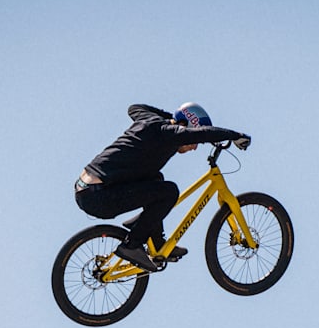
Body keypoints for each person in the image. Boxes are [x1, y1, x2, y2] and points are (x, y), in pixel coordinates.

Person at [75, 103, 250, 271]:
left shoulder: (152, 121)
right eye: (193, 139)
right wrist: (235, 135)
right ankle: (132, 245)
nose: (195, 147)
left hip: (87, 189)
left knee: (157, 180)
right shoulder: (167, 132)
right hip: (99, 196)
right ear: (183, 126)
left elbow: (134, 108)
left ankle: (155, 239)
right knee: (169, 192)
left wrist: (172, 117)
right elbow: (203, 133)